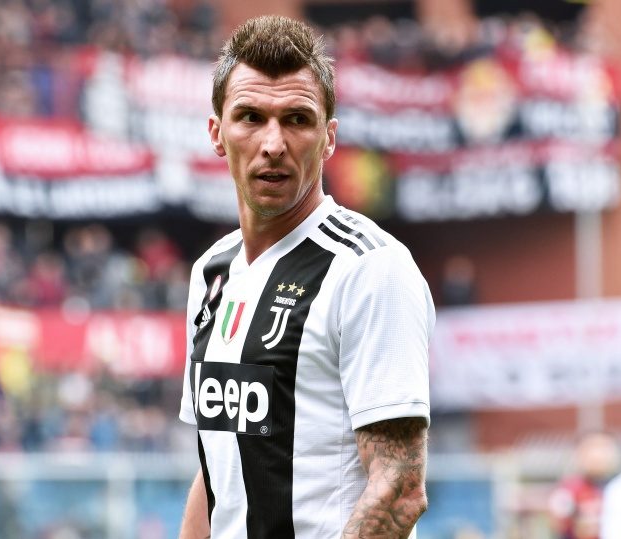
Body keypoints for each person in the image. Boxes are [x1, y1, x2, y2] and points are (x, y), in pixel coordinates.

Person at [178, 15, 434, 539]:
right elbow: (216, 470)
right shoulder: (211, 272)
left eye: (297, 119)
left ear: (328, 138)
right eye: (250, 117)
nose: (273, 143)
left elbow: (399, 488)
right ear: (217, 134)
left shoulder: (370, 269)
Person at [548, 431, 618, 539]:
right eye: (591, 449)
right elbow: (558, 524)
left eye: (603, 448)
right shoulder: (568, 489)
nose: (597, 455)